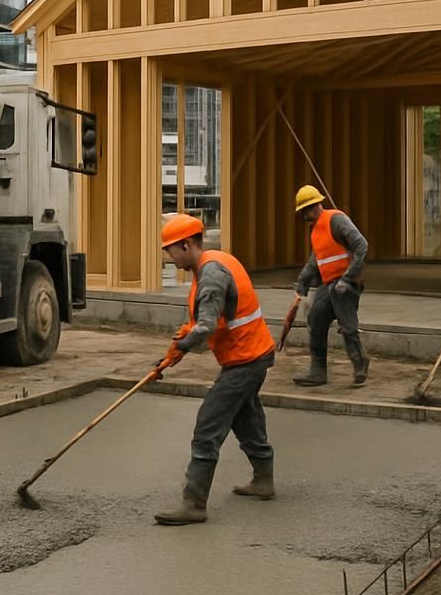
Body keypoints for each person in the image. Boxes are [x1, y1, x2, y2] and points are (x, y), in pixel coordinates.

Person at [153, 214, 277, 526]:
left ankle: (194, 503)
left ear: (185, 244)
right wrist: (169, 358)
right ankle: (264, 480)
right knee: (245, 416)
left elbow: (205, 326)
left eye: (170, 251)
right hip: (252, 355)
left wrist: (182, 348)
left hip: (245, 360)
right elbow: (197, 325)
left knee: (208, 425)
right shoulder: (213, 263)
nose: (169, 257)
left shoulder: (210, 276)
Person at [291, 185, 371, 387]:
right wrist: (303, 281)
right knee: (316, 319)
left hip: (346, 284)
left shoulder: (336, 220)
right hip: (330, 285)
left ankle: (360, 363)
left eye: (305, 212)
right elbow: (316, 259)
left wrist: (348, 278)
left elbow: (362, 245)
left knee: (347, 326)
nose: (304, 216)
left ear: (314, 206)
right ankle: (317, 371)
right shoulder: (316, 230)